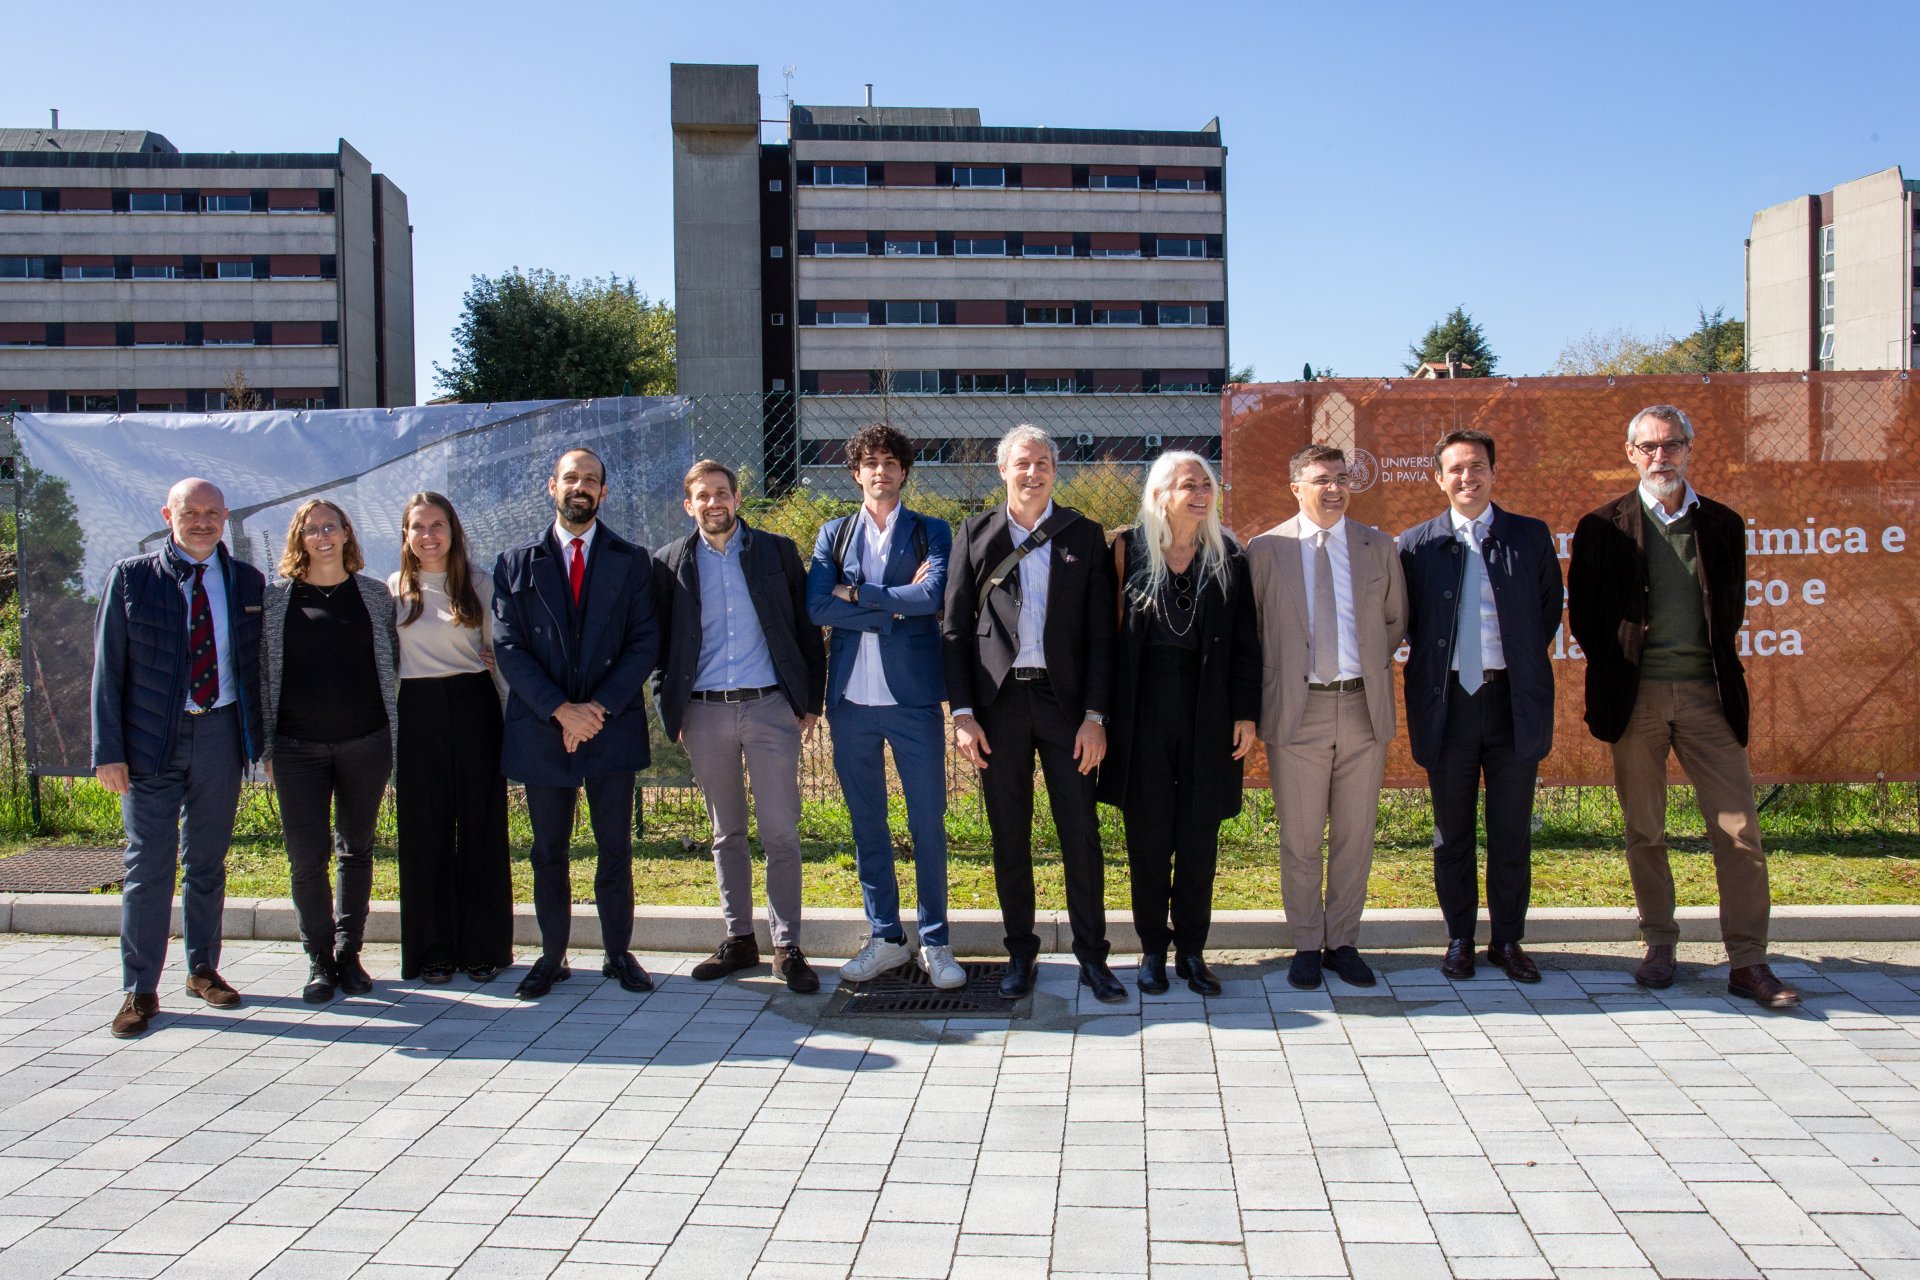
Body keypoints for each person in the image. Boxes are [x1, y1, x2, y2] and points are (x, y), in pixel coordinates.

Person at [1568, 404, 1801, 1009]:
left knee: (1740, 832)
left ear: (1689, 450)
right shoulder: (1602, 526)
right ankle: (1660, 945)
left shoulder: (1722, 524)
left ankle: (1748, 961)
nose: (1660, 457)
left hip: (1708, 697)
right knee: (1645, 829)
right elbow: (1587, 618)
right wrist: (1624, 669)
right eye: (1648, 447)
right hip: (1635, 698)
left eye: (1671, 445)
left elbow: (1730, 610)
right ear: (1630, 454)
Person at [942, 424, 1122, 1002]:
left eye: (1043, 461)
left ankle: (1093, 956)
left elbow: (1102, 634)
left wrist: (1097, 715)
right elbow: (953, 630)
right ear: (1004, 470)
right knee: (1008, 833)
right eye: (1022, 462)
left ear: (1054, 470)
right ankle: (1020, 952)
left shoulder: (1084, 534)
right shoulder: (974, 533)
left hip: (1065, 706)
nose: (1033, 472)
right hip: (999, 709)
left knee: (1080, 832)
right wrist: (963, 714)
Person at [91, 478, 265, 1038]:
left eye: (212, 513)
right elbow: (107, 671)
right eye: (191, 513)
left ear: (225, 517)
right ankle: (139, 989)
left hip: (219, 735)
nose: (202, 522)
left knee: (208, 861)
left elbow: (257, 668)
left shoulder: (246, 580)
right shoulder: (131, 579)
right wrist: (108, 752)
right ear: (168, 514)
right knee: (148, 867)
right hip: (148, 745)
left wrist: (255, 746)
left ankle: (202, 969)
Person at [493, 446, 661, 1000]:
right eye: (571, 478)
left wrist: (595, 711)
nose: (580, 487)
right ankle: (552, 956)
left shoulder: (632, 561)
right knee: (548, 852)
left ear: (604, 492)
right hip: (543, 728)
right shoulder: (516, 563)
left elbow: (644, 645)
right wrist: (561, 710)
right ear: (552, 487)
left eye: (591, 479)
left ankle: (618, 954)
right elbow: (509, 647)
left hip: (610, 724)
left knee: (615, 848)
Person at [653, 460, 826, 993]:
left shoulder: (775, 552)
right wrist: (672, 708)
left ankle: (786, 945)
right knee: (725, 832)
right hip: (703, 712)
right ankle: (739, 938)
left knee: (780, 831)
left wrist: (810, 702)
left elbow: (805, 628)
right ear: (689, 505)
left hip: (770, 708)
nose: (713, 503)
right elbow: (660, 643)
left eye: (722, 493)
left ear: (737, 498)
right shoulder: (668, 564)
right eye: (702, 496)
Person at [1399, 429, 1562, 984]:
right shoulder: (1415, 545)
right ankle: (1461, 938)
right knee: (1453, 832)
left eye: (1477, 467)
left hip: (1512, 699)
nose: (1467, 478)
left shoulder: (1530, 536)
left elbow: (1546, 614)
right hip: (1448, 705)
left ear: (1493, 472)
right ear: (1438, 478)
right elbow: (1412, 623)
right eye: (1455, 470)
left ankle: (1509, 940)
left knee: (1511, 830)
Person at [806, 423, 961, 989]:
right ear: (856, 472)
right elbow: (817, 607)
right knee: (867, 825)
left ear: (904, 472)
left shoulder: (930, 530)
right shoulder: (834, 533)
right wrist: (891, 608)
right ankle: (886, 937)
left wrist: (860, 595)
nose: (880, 471)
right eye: (870, 462)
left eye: (891, 462)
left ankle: (936, 941)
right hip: (850, 703)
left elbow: (932, 597)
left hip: (912, 699)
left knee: (927, 822)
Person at [1099, 452, 1259, 997]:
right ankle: (1151, 952)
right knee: (1146, 839)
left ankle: (1192, 950)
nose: (1201, 493)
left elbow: (1245, 645)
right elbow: (1101, 640)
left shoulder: (1229, 557)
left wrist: (1244, 713)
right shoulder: (1125, 550)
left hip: (1208, 713)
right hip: (1141, 714)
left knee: (1198, 839)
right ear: (1160, 493)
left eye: (1207, 484)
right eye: (1188, 484)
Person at [1247, 444, 1406, 991]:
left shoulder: (1377, 546)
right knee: (1301, 837)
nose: (1334, 488)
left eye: (1342, 478)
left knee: (1356, 835)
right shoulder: (1265, 550)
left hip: (1363, 708)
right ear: (1296, 487)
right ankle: (1305, 943)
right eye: (1321, 479)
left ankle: (1343, 941)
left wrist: (1356, 664)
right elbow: (1255, 630)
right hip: (1299, 711)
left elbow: (1394, 622)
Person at [263, 500, 399, 1004]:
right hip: (297, 749)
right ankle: (318, 959)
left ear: (346, 533)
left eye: (330, 527)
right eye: (310, 529)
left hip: (366, 742)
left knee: (356, 850)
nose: (322, 536)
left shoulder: (374, 595)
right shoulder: (276, 599)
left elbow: (395, 659)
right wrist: (266, 748)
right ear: (298, 539)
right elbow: (263, 674)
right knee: (305, 858)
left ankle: (349, 953)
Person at [388, 492, 513, 985]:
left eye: (438, 525)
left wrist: (508, 716)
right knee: (425, 832)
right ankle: (432, 951)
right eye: (418, 526)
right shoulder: (392, 589)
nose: (429, 535)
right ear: (406, 535)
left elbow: (498, 652)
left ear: (453, 530)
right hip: (417, 711)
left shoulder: (480, 583)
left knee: (481, 827)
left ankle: (484, 948)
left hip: (473, 706)